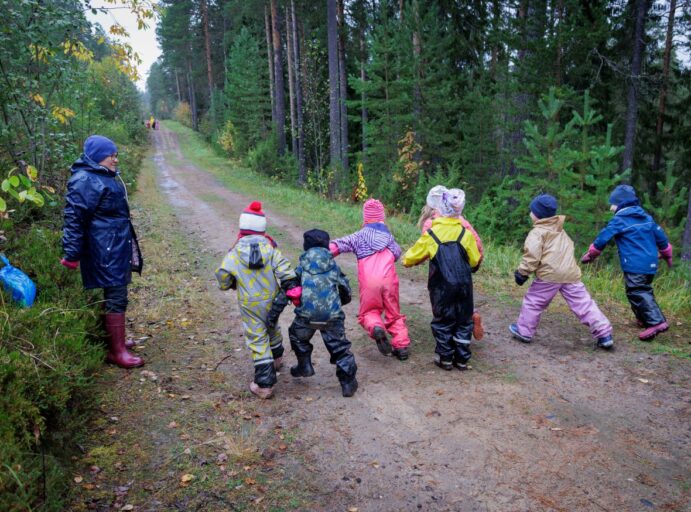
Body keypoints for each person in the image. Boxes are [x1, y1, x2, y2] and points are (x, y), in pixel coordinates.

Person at [61, 135, 144, 369]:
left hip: (113, 245)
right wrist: (71, 254)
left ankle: (115, 342)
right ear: (98, 157)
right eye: (112, 156)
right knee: (116, 294)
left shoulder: (101, 175)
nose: (116, 160)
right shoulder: (86, 179)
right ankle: (116, 351)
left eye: (116, 155)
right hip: (104, 248)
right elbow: (74, 219)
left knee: (116, 292)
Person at [215, 201, 300, 399]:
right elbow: (285, 270)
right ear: (261, 229)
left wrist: (229, 283)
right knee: (272, 326)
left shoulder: (235, 252)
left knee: (258, 337)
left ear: (242, 228)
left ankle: (264, 384)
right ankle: (277, 358)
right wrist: (291, 286)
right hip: (272, 299)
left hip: (250, 302)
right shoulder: (270, 249)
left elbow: (223, 276)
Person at [509, 194, 613, 349]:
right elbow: (569, 248)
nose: (530, 213)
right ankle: (604, 333)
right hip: (570, 274)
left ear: (537, 215)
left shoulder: (537, 233)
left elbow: (532, 256)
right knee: (584, 304)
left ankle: (524, 331)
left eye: (531, 211)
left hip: (549, 276)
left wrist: (522, 273)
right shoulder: (561, 231)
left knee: (534, 301)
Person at [581, 185, 672, 341]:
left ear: (620, 204)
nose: (611, 207)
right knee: (637, 291)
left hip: (635, 264)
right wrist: (666, 254)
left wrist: (592, 253)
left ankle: (657, 322)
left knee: (637, 291)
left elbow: (603, 237)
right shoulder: (646, 218)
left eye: (613, 203)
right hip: (650, 263)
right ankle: (644, 318)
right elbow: (661, 237)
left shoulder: (619, 220)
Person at [403, 189, 481, 371]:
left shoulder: (432, 234)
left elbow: (411, 257)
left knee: (443, 320)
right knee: (463, 320)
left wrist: (406, 259)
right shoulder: (465, 234)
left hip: (441, 286)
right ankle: (462, 358)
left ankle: (445, 357)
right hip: (464, 285)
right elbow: (475, 260)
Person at [329, 199, 412, 361]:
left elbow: (338, 245)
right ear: (382, 218)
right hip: (389, 280)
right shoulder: (389, 238)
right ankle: (401, 346)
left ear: (365, 218)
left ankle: (376, 327)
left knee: (369, 311)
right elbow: (397, 253)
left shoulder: (358, 237)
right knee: (394, 313)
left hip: (369, 282)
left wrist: (321, 250)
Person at [285, 229, 358, 397]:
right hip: (332, 317)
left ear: (306, 246)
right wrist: (339, 303)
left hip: (306, 316)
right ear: (327, 245)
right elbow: (345, 290)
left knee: (296, 336)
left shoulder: (301, 267)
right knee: (340, 349)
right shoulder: (333, 266)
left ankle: (304, 366)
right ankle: (347, 384)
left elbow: (292, 286)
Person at [418, 186, 486, 340]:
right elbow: (476, 240)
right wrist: (476, 260)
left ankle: (447, 329)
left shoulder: (432, 222)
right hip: (468, 260)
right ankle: (471, 314)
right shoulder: (460, 219)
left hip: (446, 265)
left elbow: (427, 246)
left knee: (445, 297)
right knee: (462, 294)